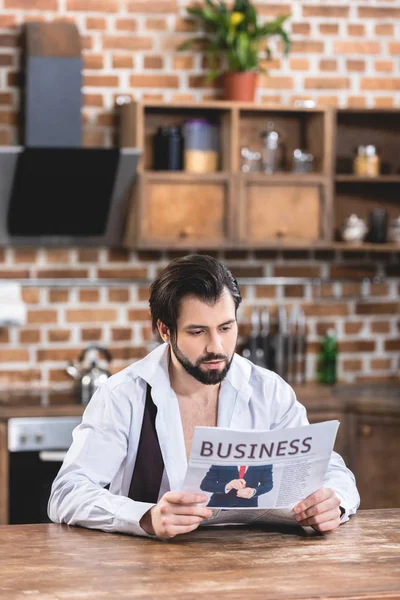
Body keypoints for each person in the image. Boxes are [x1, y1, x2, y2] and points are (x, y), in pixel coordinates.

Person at [48, 254, 360, 540]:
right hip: (145, 570)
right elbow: (67, 493)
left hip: (255, 566)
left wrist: (334, 501)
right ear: (165, 330)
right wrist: (144, 517)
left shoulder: (269, 391)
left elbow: (328, 470)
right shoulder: (121, 395)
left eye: (226, 328)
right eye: (198, 332)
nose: (217, 347)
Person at [200, 464, 273, 508]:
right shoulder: (221, 460)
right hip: (219, 506)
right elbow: (205, 484)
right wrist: (227, 486)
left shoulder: (264, 464)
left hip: (247, 510)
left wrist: (253, 492)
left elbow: (268, 484)